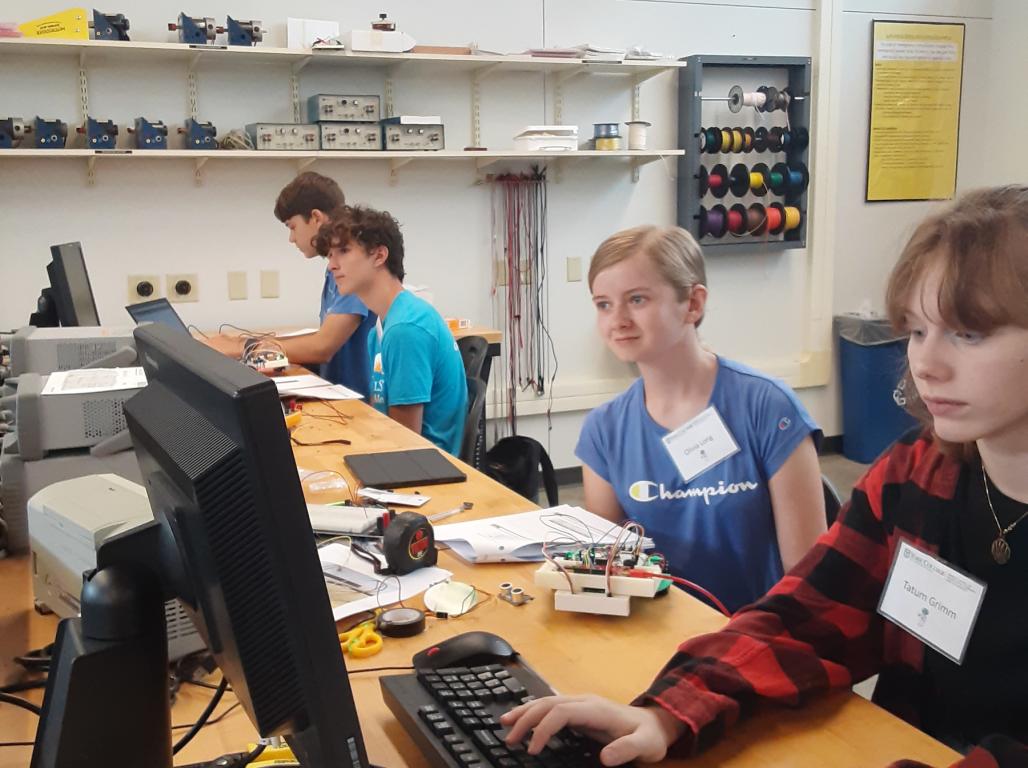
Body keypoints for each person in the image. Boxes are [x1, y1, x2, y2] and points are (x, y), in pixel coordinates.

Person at [501, 187, 1028, 768]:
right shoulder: (917, 471)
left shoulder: (761, 405)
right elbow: (807, 616)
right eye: (917, 330)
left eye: (968, 334)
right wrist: (665, 712)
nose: (925, 364)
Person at [576, 225, 826, 613]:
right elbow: (609, 575)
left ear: (692, 304)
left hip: (758, 639)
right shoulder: (603, 431)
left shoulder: (767, 408)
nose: (618, 319)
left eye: (637, 299)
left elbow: (809, 579)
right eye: (603, 304)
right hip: (656, 637)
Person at [203, 172, 376, 397]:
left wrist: (244, 347)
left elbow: (323, 346)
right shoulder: (335, 267)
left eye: (292, 227)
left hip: (357, 404)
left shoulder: (351, 268)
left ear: (316, 218)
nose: (291, 238)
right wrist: (249, 342)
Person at [314, 204, 467, 455]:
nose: (332, 265)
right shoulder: (379, 328)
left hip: (425, 473)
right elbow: (384, 421)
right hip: (401, 457)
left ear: (379, 255)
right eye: (330, 255)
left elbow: (404, 445)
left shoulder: (405, 329)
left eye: (343, 251)